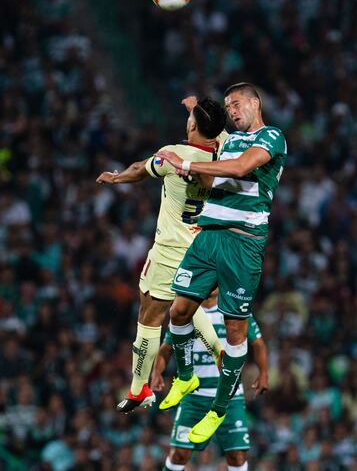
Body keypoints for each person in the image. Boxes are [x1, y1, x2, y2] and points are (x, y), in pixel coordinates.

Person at [155, 82, 287, 442]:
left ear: (255, 102)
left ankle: (218, 409)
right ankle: (185, 377)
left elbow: (243, 167)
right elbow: (215, 129)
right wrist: (195, 108)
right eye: (227, 106)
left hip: (243, 245)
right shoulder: (229, 139)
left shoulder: (272, 137)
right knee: (178, 312)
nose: (231, 109)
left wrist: (185, 162)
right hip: (209, 236)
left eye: (236, 103)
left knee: (234, 332)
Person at [96, 96, 227, 412]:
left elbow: (141, 169)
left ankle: (138, 388)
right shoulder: (224, 152)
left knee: (150, 316)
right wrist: (196, 109)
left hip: (170, 250)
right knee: (185, 305)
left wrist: (117, 178)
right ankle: (219, 352)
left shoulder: (174, 156)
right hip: (204, 247)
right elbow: (218, 131)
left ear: (192, 125)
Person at [151, 289, 268, 471]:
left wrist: (264, 373)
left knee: (237, 456)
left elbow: (258, 344)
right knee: (179, 454)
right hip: (194, 397)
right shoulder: (187, 310)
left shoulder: (234, 309)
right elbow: (166, 348)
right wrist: (156, 372)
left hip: (230, 397)